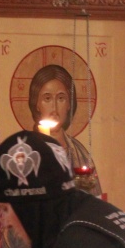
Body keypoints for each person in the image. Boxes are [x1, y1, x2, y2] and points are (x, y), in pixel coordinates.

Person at [28, 63, 102, 197]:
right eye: (47, 98)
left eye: (61, 98)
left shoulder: (80, 153)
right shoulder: (25, 151)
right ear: (36, 104)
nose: (54, 108)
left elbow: (94, 199)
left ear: (69, 104)